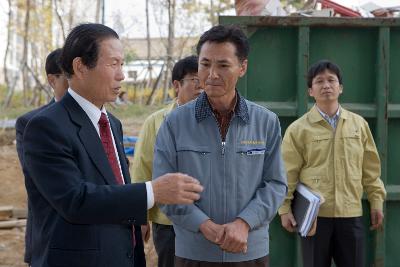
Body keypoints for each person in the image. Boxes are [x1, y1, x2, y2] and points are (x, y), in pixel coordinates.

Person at [22, 23, 203, 267]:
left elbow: (115, 184)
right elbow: (75, 200)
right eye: (113, 64)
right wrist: (152, 192)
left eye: (122, 64)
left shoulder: (111, 123)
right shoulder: (46, 126)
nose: (122, 75)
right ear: (80, 67)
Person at [152, 25, 287, 267]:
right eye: (205, 64)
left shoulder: (266, 121)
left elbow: (275, 184)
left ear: (242, 67)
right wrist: (203, 225)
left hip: (249, 251)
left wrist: (244, 223)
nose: (212, 74)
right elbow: (164, 187)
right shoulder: (174, 123)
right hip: (193, 253)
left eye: (223, 65)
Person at [278, 60, 386, 267]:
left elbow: (371, 170)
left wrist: (376, 201)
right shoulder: (298, 129)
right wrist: (284, 209)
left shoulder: (358, 125)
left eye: (331, 80)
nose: (326, 85)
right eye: (319, 81)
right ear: (311, 91)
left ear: (340, 88)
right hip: (314, 218)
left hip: (351, 216)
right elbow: (287, 173)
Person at [131, 55, 202, 267]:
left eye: (204, 81)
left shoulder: (216, 120)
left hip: (210, 220)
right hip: (169, 222)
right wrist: (140, 217)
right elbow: (142, 169)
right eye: (194, 81)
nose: (201, 87)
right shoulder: (156, 122)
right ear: (176, 85)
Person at [15, 48, 69, 265]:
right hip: (51, 234)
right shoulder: (31, 123)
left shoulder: (107, 121)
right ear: (52, 80)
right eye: (69, 77)